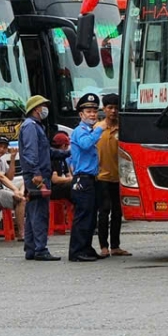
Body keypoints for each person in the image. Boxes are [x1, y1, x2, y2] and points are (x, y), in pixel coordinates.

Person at [20, 95, 61, 261]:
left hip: (37, 173)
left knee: (32, 212)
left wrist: (67, 153)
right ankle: (40, 249)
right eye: (43, 105)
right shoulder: (30, 127)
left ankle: (31, 248)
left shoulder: (36, 126)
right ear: (36, 108)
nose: (45, 109)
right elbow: (31, 153)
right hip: (37, 176)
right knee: (39, 213)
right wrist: (36, 173)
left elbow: (46, 151)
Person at [68, 93, 106, 262]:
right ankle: (77, 251)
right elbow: (84, 145)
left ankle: (86, 247)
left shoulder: (89, 131)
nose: (92, 114)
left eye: (94, 111)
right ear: (81, 114)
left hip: (91, 178)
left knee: (90, 217)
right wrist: (99, 129)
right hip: (82, 179)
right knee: (83, 216)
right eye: (88, 111)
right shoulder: (81, 131)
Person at [96, 94, 130, 257]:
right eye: (110, 108)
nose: (113, 111)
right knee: (104, 211)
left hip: (120, 177)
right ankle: (104, 246)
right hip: (101, 177)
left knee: (118, 212)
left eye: (116, 108)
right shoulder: (97, 129)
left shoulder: (123, 129)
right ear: (104, 109)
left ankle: (115, 246)